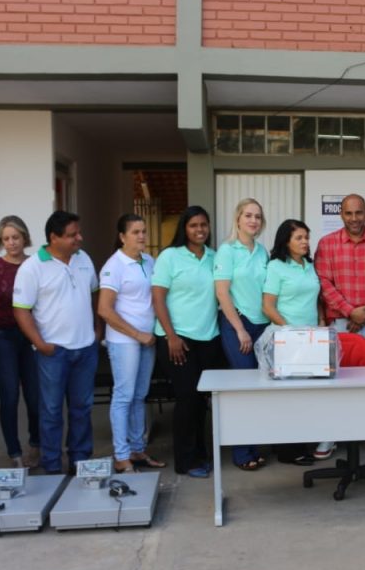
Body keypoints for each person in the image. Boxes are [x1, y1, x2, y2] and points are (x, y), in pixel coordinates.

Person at [13, 211, 99, 475]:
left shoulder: (83, 259)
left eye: (78, 233)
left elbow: (95, 294)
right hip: (53, 351)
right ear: (54, 237)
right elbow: (21, 310)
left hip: (85, 348)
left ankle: (80, 460)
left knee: (82, 408)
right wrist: (40, 344)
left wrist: (97, 330)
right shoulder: (32, 267)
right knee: (50, 410)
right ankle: (52, 465)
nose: (79, 238)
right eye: (72, 235)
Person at [313, 193, 365, 459]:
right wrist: (351, 312)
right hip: (339, 323)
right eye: (348, 213)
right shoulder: (326, 244)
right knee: (334, 383)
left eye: (358, 213)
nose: (354, 219)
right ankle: (330, 435)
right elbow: (324, 283)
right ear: (341, 215)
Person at [152, 205, 221, 478]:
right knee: (187, 398)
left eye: (204, 225)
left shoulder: (214, 257)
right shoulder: (169, 257)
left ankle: (200, 454)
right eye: (194, 225)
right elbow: (157, 298)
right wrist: (172, 336)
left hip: (209, 338)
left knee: (201, 399)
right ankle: (186, 461)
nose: (200, 230)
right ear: (184, 228)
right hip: (177, 339)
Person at [97, 214, 164, 474]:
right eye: (135, 232)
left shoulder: (149, 261)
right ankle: (121, 455)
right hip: (125, 340)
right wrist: (137, 335)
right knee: (124, 396)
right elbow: (104, 309)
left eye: (144, 231)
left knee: (140, 396)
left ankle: (137, 449)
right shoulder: (114, 265)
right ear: (122, 236)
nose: (142, 236)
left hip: (147, 338)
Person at [214, 198, 270, 471]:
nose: (253, 221)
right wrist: (239, 330)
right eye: (248, 215)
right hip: (239, 325)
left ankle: (254, 446)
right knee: (243, 389)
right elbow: (222, 293)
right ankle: (241, 452)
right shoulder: (227, 251)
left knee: (258, 390)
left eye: (258, 217)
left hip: (262, 326)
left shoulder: (262, 252)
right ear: (237, 219)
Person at [263, 219, 323, 467]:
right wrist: (290, 331)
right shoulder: (276, 266)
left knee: (306, 397)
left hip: (311, 338)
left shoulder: (309, 266)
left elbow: (316, 298)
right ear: (285, 241)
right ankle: (288, 450)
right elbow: (267, 306)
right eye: (299, 238)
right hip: (287, 338)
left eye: (307, 237)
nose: (305, 242)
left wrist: (320, 322)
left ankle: (302, 444)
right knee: (288, 398)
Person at [0, 215, 40, 469]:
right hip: (3, 336)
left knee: (35, 395)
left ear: (25, 238)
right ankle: (14, 452)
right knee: (9, 396)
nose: (11, 243)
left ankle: (36, 446)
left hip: (32, 336)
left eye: (15, 237)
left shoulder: (36, 264)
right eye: (6, 239)